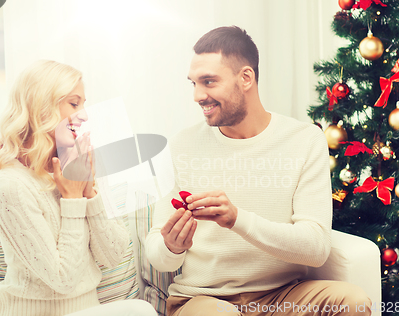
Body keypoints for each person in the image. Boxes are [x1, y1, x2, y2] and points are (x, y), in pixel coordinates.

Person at [145, 26, 372, 316]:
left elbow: (316, 248)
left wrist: (237, 219)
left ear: (246, 78)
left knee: (353, 301)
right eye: (193, 83)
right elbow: (158, 256)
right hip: (204, 300)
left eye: (209, 82)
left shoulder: (304, 140)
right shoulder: (181, 146)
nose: (197, 95)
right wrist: (171, 247)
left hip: (283, 295)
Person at [0, 60, 157, 316]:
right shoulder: (11, 186)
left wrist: (89, 192)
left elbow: (112, 256)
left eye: (83, 104)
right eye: (74, 103)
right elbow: (63, 280)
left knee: (141, 311)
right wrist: (72, 199)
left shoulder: (81, 165)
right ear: (41, 108)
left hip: (88, 309)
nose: (84, 114)